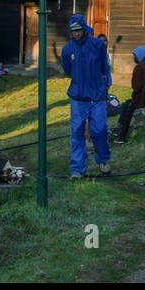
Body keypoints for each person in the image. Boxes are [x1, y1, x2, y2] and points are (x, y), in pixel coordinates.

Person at [60, 14, 112, 179]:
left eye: (79, 30)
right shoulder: (67, 49)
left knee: (99, 130)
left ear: (84, 29)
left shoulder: (97, 44)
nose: (76, 34)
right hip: (78, 97)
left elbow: (105, 66)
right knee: (77, 132)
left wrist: (104, 85)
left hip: (97, 96)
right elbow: (67, 70)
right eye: (73, 31)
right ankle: (77, 169)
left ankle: (103, 160)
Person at [114, 45, 145, 145]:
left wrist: (135, 96)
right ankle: (119, 132)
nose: (134, 58)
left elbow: (136, 87)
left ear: (138, 56)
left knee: (127, 107)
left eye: (134, 56)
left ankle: (121, 136)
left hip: (143, 99)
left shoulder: (140, 67)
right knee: (127, 104)